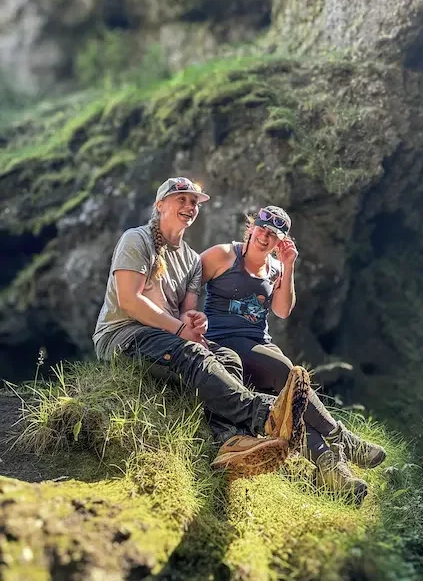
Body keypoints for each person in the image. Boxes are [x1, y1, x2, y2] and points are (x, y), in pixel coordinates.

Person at [92, 178, 311, 477]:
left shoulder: (191, 260)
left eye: (194, 202)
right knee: (193, 356)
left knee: (228, 358)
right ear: (160, 205)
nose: (189, 206)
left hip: (163, 336)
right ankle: (265, 414)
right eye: (180, 199)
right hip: (123, 336)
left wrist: (196, 323)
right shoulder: (137, 240)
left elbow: (186, 313)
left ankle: (230, 440)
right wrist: (182, 332)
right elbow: (130, 302)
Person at [200, 205, 386, 504]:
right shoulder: (222, 255)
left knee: (288, 408)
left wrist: (288, 266)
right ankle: (343, 439)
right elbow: (189, 287)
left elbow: (282, 310)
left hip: (259, 345)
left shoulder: (275, 267)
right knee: (288, 371)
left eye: (274, 235)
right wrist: (187, 325)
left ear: (280, 242)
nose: (265, 237)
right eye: (262, 230)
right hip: (224, 342)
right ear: (251, 228)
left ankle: (333, 470)